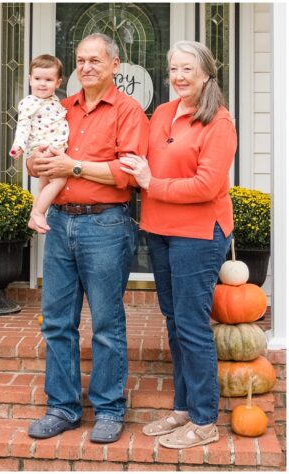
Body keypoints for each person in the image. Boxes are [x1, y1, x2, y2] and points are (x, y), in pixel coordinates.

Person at [24, 33, 149, 444]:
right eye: (80, 60)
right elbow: (39, 157)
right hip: (60, 222)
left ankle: (110, 410)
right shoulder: (61, 108)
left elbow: (128, 174)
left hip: (105, 225)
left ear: (115, 65)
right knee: (58, 321)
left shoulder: (129, 111)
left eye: (95, 60)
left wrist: (73, 166)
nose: (86, 67)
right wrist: (33, 160)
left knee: (107, 323)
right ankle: (62, 407)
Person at [118, 41, 235, 449]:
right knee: (174, 321)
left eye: (188, 69)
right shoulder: (163, 113)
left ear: (205, 73)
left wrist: (153, 183)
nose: (179, 76)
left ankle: (204, 420)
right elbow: (145, 163)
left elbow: (207, 185)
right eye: (174, 69)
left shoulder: (218, 122)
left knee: (191, 325)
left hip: (200, 233)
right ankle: (184, 407)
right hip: (160, 229)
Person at [9, 54, 70, 233]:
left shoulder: (54, 100)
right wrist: (18, 146)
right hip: (44, 148)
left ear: (58, 83)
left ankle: (34, 216)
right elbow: (23, 126)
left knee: (44, 184)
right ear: (29, 80)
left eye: (48, 80)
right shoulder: (29, 103)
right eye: (37, 79)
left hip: (54, 147)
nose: (42, 84)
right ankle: (38, 212)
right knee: (59, 180)